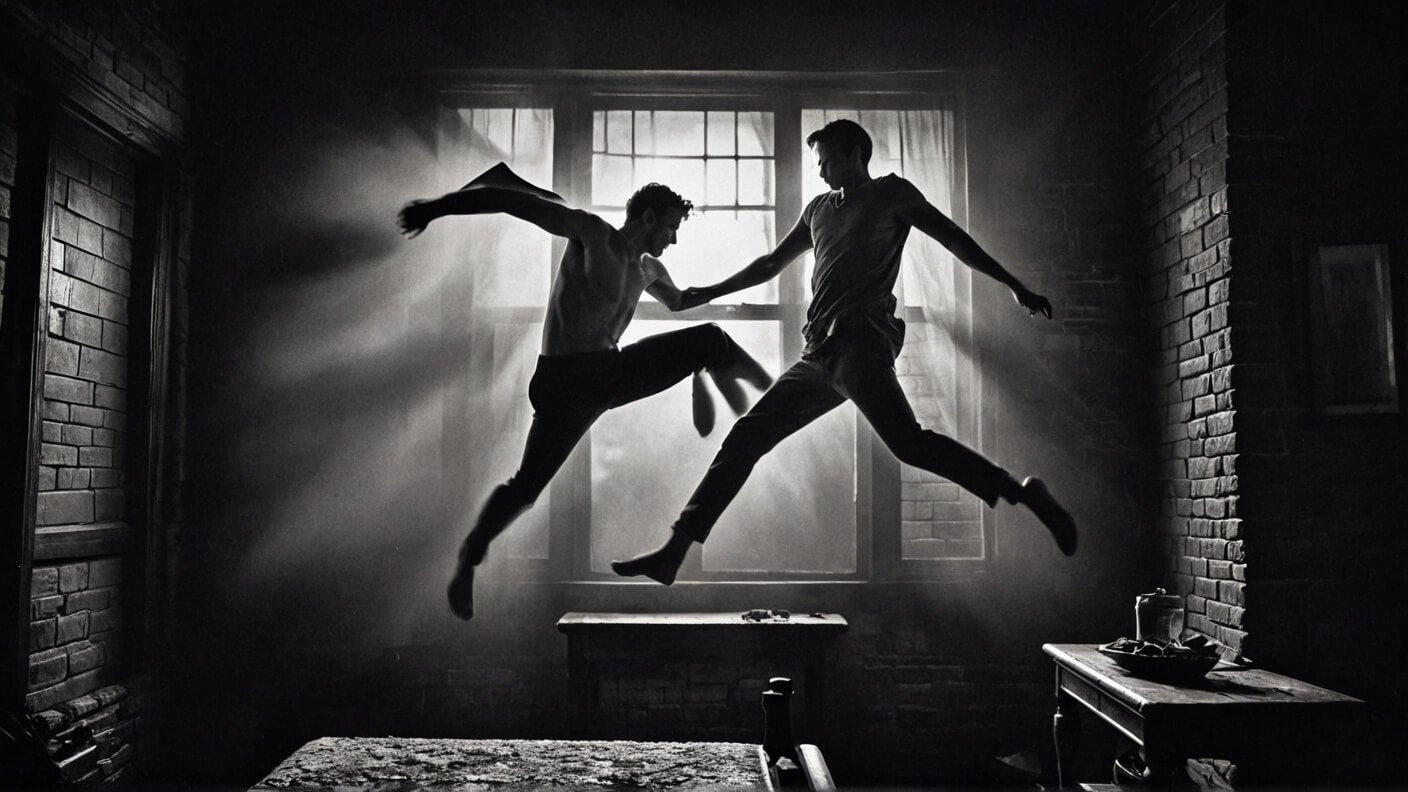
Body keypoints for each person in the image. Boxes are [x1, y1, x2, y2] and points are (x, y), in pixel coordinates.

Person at [611, 119, 1078, 586]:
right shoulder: (818, 210)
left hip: (860, 341)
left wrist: (1013, 284)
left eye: (826, 161)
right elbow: (770, 264)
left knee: (908, 444)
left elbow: (954, 238)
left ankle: (1020, 492)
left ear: (855, 154)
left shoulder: (892, 194)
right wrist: (706, 292)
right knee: (746, 439)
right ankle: (674, 552)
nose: (820, 172)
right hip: (819, 355)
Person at [398, 163, 772, 619]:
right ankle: (469, 557)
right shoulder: (591, 234)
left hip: (607, 378)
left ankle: (749, 384)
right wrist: (435, 208)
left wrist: (742, 282)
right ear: (649, 217)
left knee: (710, 339)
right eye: (671, 227)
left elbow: (681, 301)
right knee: (525, 489)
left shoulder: (650, 269)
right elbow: (509, 200)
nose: (674, 239)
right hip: (564, 380)